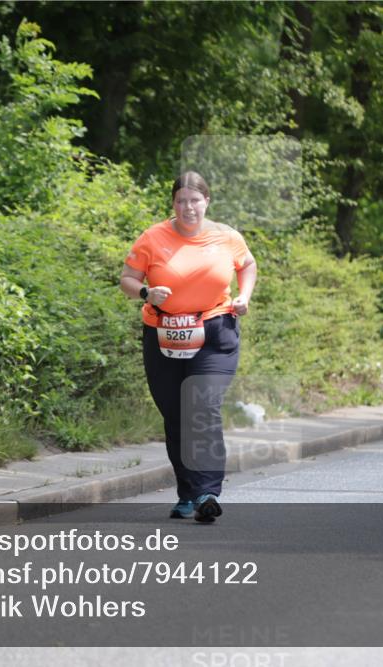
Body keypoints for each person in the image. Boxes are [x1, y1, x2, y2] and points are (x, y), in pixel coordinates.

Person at [120, 171, 257, 522]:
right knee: (176, 415)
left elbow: (248, 265)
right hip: (163, 333)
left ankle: (208, 491)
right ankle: (188, 493)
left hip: (215, 331)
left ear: (206, 202)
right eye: (181, 200)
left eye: (195, 200)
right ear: (173, 204)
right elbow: (128, 279)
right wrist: (147, 293)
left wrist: (244, 295)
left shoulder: (226, 236)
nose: (188, 207)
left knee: (202, 407)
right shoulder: (153, 237)